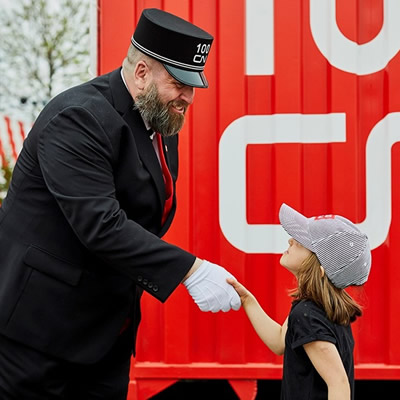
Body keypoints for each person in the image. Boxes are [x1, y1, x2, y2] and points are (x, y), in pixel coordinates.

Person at [0, 8, 240, 399]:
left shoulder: (158, 121)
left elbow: (146, 216)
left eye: (193, 86)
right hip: (38, 336)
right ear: (142, 72)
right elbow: (101, 224)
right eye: (179, 83)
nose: (188, 98)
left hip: (103, 335)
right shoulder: (78, 117)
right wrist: (190, 271)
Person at [228, 203, 371, 400]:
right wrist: (247, 300)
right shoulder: (314, 309)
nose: (291, 240)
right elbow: (280, 341)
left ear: (320, 269)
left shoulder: (308, 315)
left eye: (302, 241)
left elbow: (338, 383)